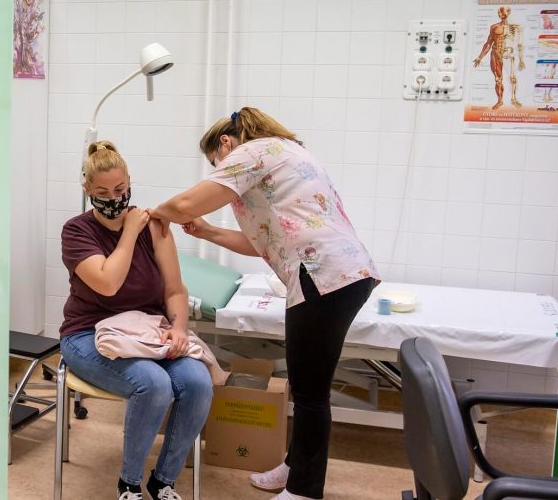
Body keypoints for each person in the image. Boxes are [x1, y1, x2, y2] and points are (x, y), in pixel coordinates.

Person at [147, 108, 380, 500]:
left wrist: (155, 215)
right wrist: (207, 232)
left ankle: (304, 490)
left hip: (322, 275)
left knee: (310, 392)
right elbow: (264, 243)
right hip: (343, 272)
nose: (220, 170)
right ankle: (294, 466)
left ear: (226, 143)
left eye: (216, 163)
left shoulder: (251, 152)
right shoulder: (285, 152)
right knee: (307, 385)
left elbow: (186, 204)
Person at [60, 141, 213, 500]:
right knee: (154, 384)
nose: (114, 198)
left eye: (120, 189)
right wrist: (129, 231)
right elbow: (108, 283)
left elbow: (174, 289)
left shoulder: (156, 227)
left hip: (146, 331)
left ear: (130, 182)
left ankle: (163, 482)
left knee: (198, 382)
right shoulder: (76, 231)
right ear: (87, 189)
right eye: (102, 193)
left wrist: (179, 328)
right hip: (87, 336)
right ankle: (129, 484)